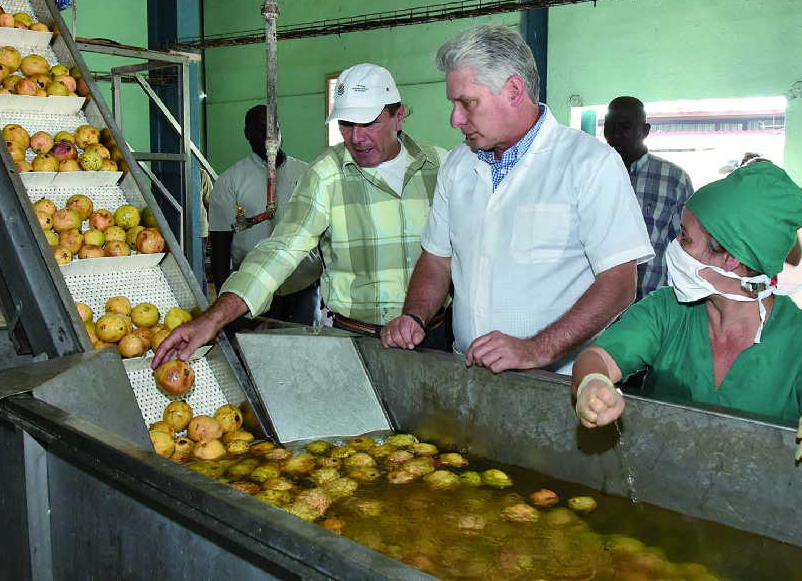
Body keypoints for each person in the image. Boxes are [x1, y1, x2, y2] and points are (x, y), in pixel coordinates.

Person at [381, 25, 654, 374]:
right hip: (470, 372)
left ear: (513, 90)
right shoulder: (458, 165)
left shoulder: (589, 163)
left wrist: (536, 350)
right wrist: (414, 316)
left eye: (467, 103)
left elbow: (619, 283)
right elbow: (437, 259)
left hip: (557, 381)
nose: (455, 119)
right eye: (453, 104)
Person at [571, 162, 802, 462]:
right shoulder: (668, 310)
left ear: (730, 259)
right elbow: (598, 358)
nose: (675, 245)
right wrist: (592, 383)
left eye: (685, 237)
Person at [153, 63, 449, 368]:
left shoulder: (442, 167)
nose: (356, 138)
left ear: (398, 116)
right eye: (346, 124)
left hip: (433, 336)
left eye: (368, 123)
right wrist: (213, 318)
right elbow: (280, 250)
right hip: (357, 341)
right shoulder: (326, 175)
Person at [208, 105, 321, 326]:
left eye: (274, 129)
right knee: (258, 350)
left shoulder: (308, 174)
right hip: (252, 288)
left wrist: (329, 283)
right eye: (261, 129)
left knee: (307, 351)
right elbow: (221, 243)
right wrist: (223, 301)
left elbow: (325, 234)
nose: (270, 136)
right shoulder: (230, 181)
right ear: (247, 134)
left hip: (303, 284)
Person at [604, 96, 694, 301]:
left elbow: (684, 248)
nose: (615, 134)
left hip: (649, 303)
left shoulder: (673, 179)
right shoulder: (591, 173)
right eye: (610, 126)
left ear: (645, 131)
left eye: (625, 126)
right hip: (596, 303)